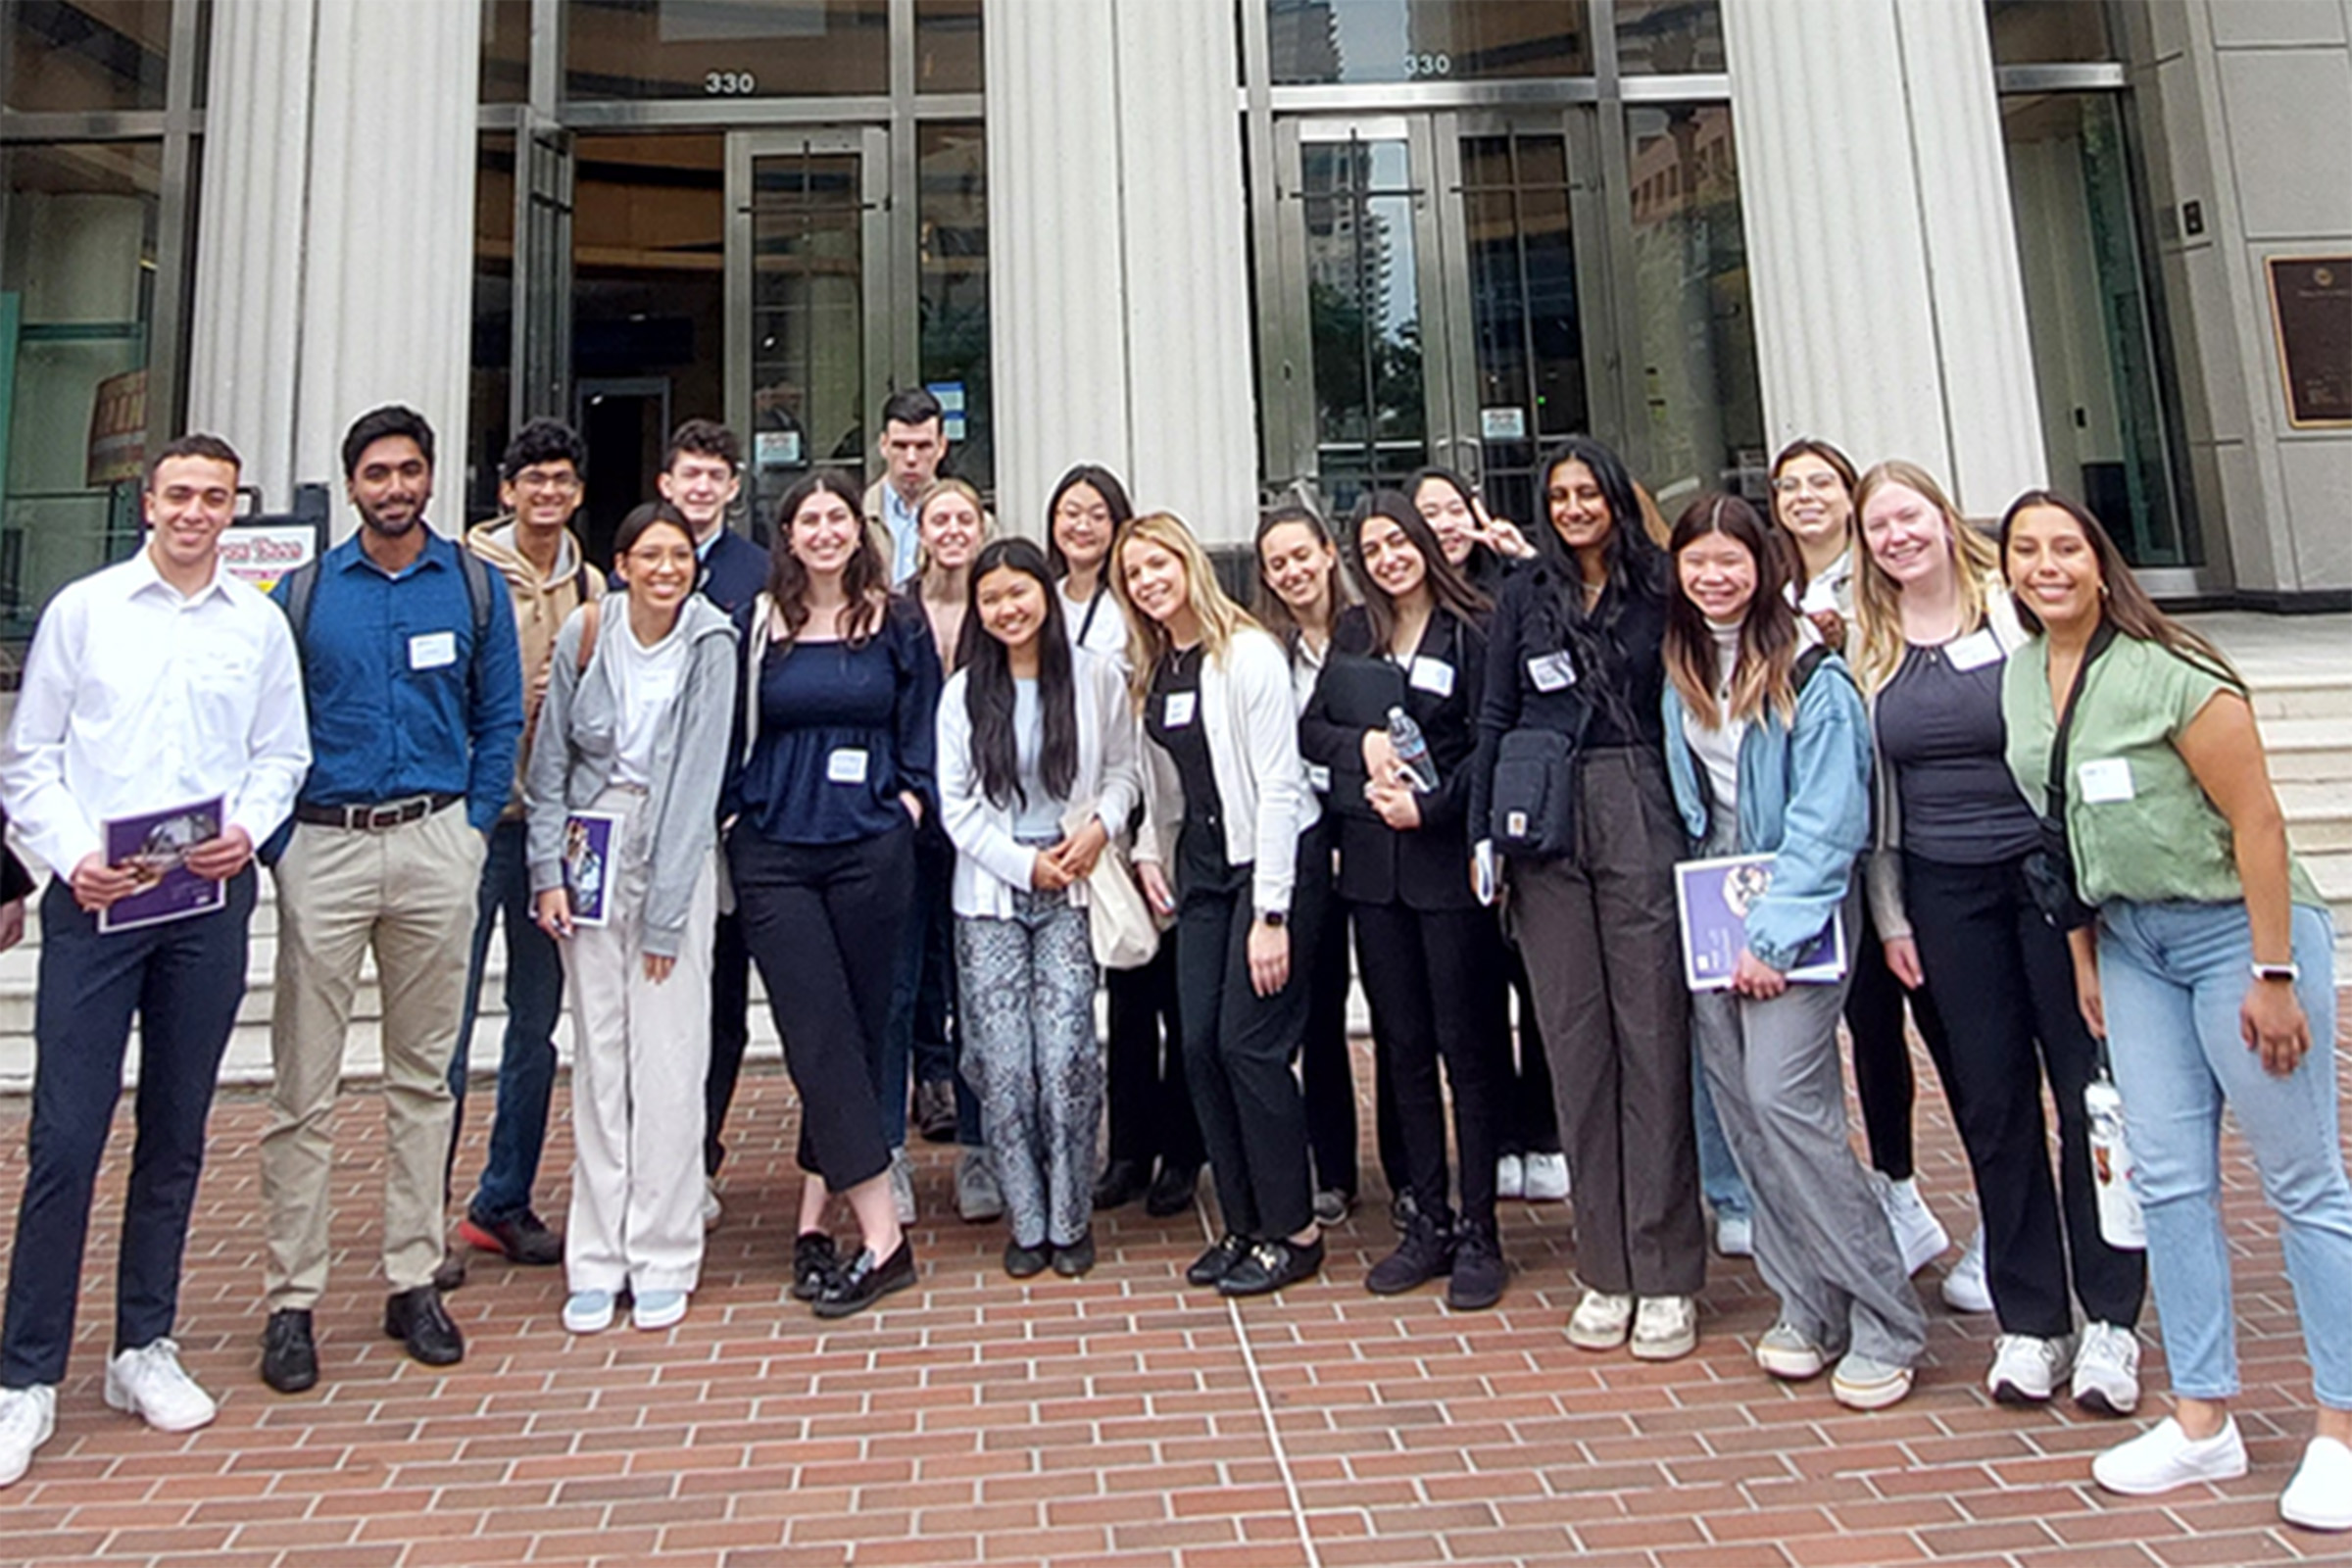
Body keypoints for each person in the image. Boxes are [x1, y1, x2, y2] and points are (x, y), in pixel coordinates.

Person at [1997, 494, 2352, 1530]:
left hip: (2233, 936)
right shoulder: (2024, 674)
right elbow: (2056, 824)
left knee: (2302, 1181)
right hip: (2129, 943)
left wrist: (2275, 971)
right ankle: (2204, 1417)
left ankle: (2341, 1426)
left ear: (2103, 565)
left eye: (2066, 548)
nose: (2046, 565)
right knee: (2166, 1180)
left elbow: (2259, 820)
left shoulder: (2179, 673)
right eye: (2025, 550)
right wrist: (2084, 956)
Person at [0, 435, 310, 1489]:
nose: (195, 512)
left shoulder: (258, 625)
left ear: (235, 510)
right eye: (179, 494)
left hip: (206, 909)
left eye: (214, 497)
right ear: (148, 501)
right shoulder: (84, 611)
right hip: (98, 905)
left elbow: (284, 753)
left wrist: (253, 827)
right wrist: (72, 857)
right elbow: (30, 756)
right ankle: (26, 1373)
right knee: (66, 1138)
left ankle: (144, 1344)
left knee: (175, 1132)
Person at [1850, 462, 2146, 1411]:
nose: (1897, 535)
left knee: (2084, 1092)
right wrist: (1892, 916)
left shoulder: (2009, 612)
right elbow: (1875, 804)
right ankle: (2031, 1320)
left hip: (2046, 883)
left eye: (1910, 516)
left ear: (1943, 519)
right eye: (1878, 525)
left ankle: (2108, 1317)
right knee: (1992, 1101)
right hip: (1941, 893)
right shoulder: (1868, 642)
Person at [258, 406, 524, 1393]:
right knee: (304, 1087)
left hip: (431, 843)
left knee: (424, 1077)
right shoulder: (302, 594)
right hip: (324, 845)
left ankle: (413, 1276)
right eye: (378, 473)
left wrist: (468, 826)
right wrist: (283, 846)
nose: (396, 487)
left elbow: (500, 716)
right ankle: (293, 1295)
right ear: (352, 482)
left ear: (432, 476)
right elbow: (269, 724)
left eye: (411, 470)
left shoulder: (474, 587)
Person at [1659, 491, 1926, 1408]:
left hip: (1793, 916)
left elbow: (1828, 820)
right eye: (1698, 560)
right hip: (1710, 904)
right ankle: (1806, 1300)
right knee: (1741, 1113)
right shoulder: (1685, 660)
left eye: (1731, 560)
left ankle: (1886, 1314)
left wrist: (1775, 931)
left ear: (1764, 565)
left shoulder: (1815, 674)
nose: (1714, 576)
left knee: (1789, 1103)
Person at [1469, 436, 1704, 1360]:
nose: (1573, 509)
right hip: (1545, 822)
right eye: (1558, 496)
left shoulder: (1660, 586)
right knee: (1576, 1045)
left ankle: (1668, 1274)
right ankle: (1605, 1268)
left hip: (1639, 800)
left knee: (1654, 1041)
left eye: (1587, 493)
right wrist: (1486, 831)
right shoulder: (1523, 595)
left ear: (1615, 495)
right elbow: (1495, 715)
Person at [724, 469, 940, 1317]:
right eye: (807, 519)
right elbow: (726, 723)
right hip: (776, 849)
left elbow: (923, 719)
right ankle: (886, 1240)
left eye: (837, 517)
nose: (823, 531)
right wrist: (736, 814)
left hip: (869, 848)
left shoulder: (898, 620)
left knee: (854, 1031)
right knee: (814, 1031)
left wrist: (911, 799)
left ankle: (815, 1225)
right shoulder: (757, 624)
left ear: (860, 530)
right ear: (787, 533)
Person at [526, 501, 736, 1335]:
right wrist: (548, 871)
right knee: (600, 1055)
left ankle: (663, 1250)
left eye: (679, 555)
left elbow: (700, 780)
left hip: (673, 860)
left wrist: (664, 914)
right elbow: (552, 765)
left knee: (670, 1061)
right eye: (649, 554)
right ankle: (597, 1254)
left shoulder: (712, 642)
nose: (666, 569)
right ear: (621, 563)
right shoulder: (588, 633)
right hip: (592, 848)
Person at [1300, 492, 1507, 1308]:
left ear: (1426, 542)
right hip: (1375, 877)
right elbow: (1314, 731)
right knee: (1402, 1048)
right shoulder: (1356, 632)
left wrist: (1437, 804)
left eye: (1399, 542)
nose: (1388, 558)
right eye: (1372, 547)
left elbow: (1492, 743)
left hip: (1446, 866)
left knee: (1470, 1049)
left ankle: (1482, 1230)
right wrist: (1366, 748)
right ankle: (1427, 1219)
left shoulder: (1477, 626)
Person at [1767, 439, 1962, 1293]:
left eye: (1821, 484)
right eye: (1789, 486)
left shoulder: (1881, 587)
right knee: (1870, 1032)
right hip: (1818, 852)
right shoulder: (1767, 584)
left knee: (1952, 1035)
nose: (1805, 498)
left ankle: (2005, 1211)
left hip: (1904, 844)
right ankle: (1898, 1189)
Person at [1118, 512, 1328, 1297]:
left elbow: (1280, 785)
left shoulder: (1246, 654)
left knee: (1251, 1046)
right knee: (1199, 1046)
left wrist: (1271, 913)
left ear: (1189, 562)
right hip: (1202, 872)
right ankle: (1244, 1223)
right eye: (1135, 574)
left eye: (1159, 564)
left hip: (1269, 866)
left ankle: (1295, 1231)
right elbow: (1160, 785)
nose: (1149, 582)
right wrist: (1148, 852)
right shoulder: (1156, 667)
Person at [938, 537, 1140, 1278]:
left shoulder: (1093, 680)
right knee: (1005, 1064)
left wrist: (1095, 832)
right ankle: (1027, 1223)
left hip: (1073, 888)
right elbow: (955, 809)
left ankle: (1069, 1215)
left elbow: (1124, 770)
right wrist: (1025, 865)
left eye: (1018, 593)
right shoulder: (961, 693)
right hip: (992, 896)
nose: (1006, 609)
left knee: (1065, 1058)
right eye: (990, 599)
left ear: (1044, 596)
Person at [444, 417, 604, 1283]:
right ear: (505, 490)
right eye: (532, 479)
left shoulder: (595, 584)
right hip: (473, 821)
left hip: (553, 828)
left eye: (562, 480)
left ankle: (503, 1199)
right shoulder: (462, 576)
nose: (548, 493)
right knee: (446, 1025)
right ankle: (420, 1216)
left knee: (535, 1026)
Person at [1408, 465, 1565, 1208]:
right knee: (1473, 996)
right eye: (1426, 512)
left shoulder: (1514, 582)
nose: (1441, 524)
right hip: (1450, 832)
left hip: (1527, 810)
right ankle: (1500, 1135)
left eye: (1452, 508)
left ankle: (1546, 1132)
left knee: (1537, 983)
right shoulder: (1411, 607)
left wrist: (1527, 561)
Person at [1050, 465, 1200, 1218]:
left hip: (1153, 817)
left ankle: (1182, 1149)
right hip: (1081, 831)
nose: (1081, 526)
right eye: (1069, 513)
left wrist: (1141, 830)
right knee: (1126, 994)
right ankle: (1129, 1150)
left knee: (1172, 988)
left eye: (1096, 513)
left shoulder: (1135, 606)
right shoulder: (1041, 603)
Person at [656, 419, 767, 1225]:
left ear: (733, 486)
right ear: (668, 483)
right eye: (688, 474)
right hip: (650, 825)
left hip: (734, 818)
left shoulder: (760, 573)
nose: (700, 488)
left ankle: (701, 1155)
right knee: (664, 1003)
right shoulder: (638, 563)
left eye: (714, 476)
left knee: (723, 1003)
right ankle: (656, 1159)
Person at [893, 477, 1002, 1223]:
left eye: (966, 517)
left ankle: (979, 1148)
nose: (954, 529)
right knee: (900, 985)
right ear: (920, 530)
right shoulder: (894, 607)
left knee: (976, 992)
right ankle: (888, 1156)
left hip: (985, 825)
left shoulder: (1006, 602)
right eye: (940, 519)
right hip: (907, 823)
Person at [1253, 505, 1359, 1227]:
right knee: (1317, 1010)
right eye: (1276, 564)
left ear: (1328, 552)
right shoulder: (1268, 648)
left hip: (1380, 829)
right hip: (1309, 838)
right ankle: (1336, 1170)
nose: (1292, 572)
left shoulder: (1367, 633)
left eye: (1301, 555)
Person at [861, 386, 950, 585]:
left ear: (942, 446)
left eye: (923, 446)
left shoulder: (969, 523)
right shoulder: (856, 515)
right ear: (883, 445)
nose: (911, 458)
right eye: (900, 446)